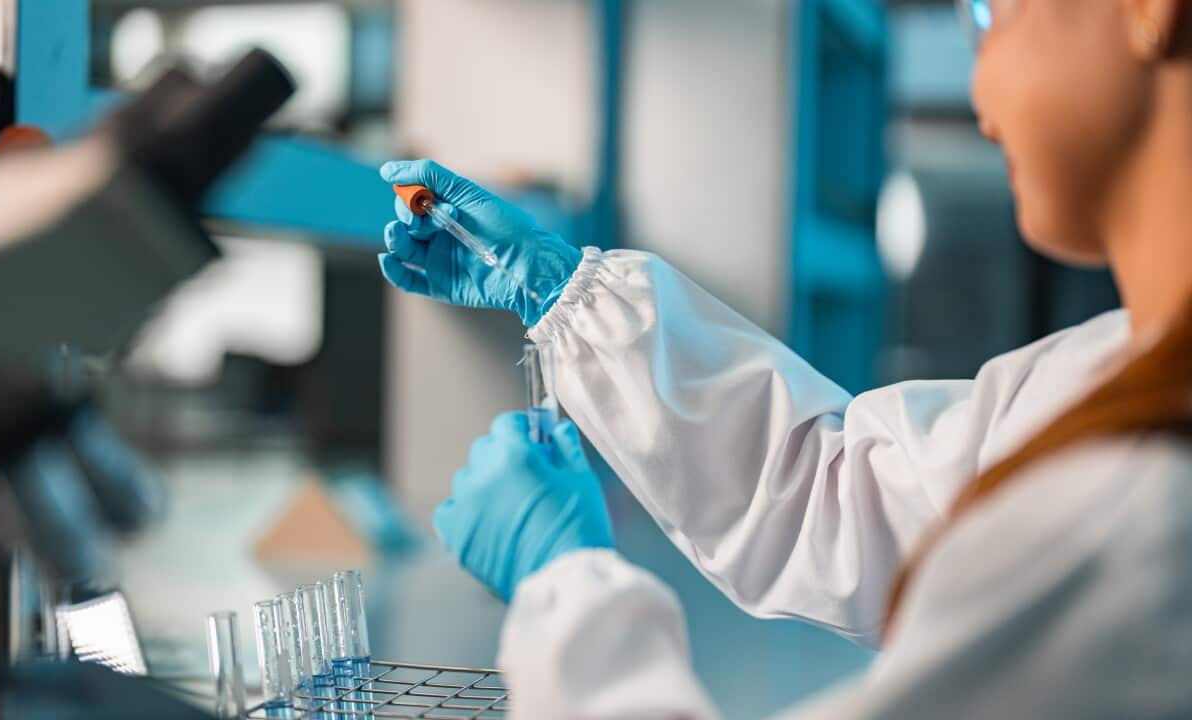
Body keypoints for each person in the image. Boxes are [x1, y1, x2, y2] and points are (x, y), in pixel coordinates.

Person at [378, 1, 1192, 716]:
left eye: (992, 11)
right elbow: (851, 500)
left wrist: (565, 592)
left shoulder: (1138, 518)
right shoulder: (1112, 375)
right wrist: (566, 293)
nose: (981, 99)